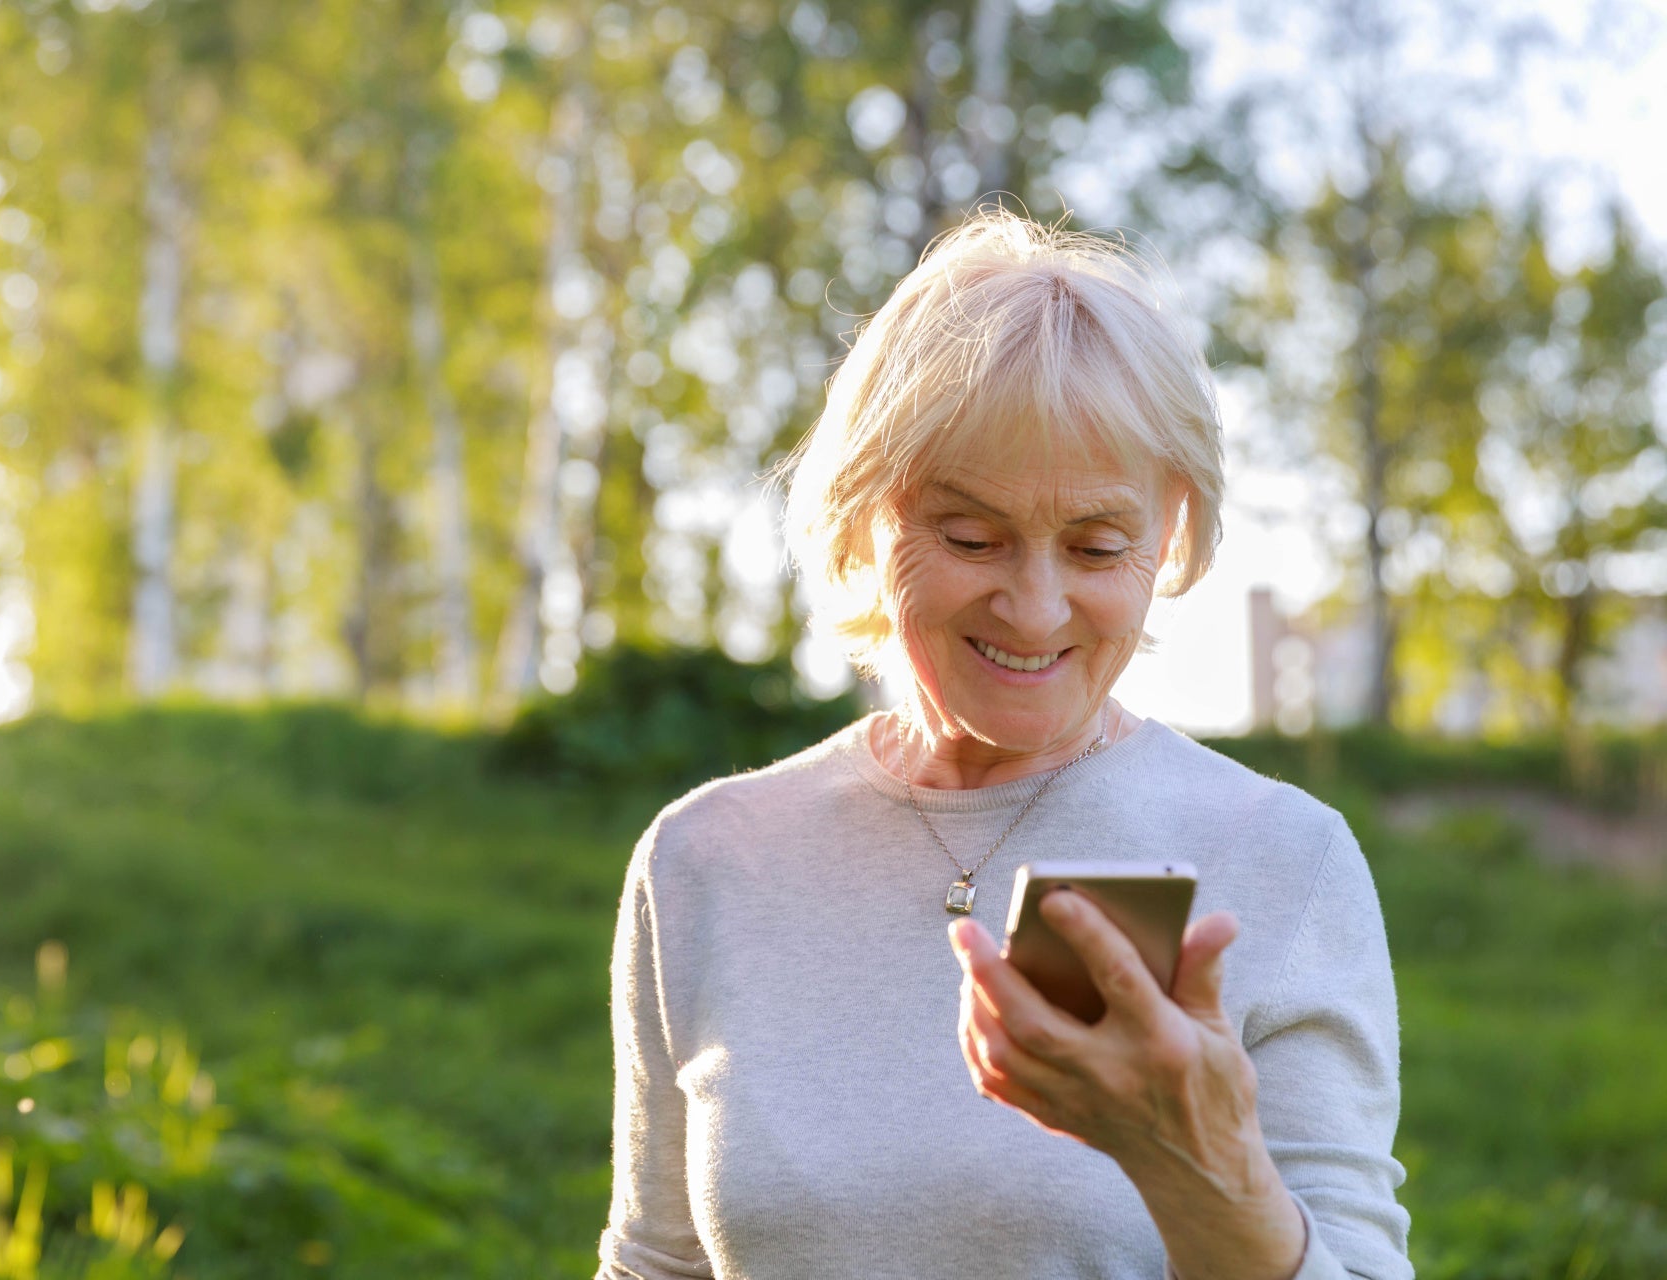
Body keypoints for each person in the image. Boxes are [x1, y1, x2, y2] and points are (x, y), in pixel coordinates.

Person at [596, 211, 1411, 1279]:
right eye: (970, 536)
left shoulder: (1282, 858)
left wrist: (1200, 1170)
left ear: (1167, 532)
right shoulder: (706, 855)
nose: (1034, 607)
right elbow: (656, 1263)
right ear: (864, 517)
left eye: (1096, 544)